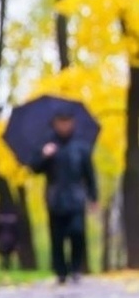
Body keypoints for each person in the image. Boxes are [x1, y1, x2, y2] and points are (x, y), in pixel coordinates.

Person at [29, 110, 98, 284]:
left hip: (76, 197)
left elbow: (89, 174)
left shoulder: (81, 146)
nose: (64, 125)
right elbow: (34, 168)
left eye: (67, 121)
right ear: (55, 123)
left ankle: (75, 268)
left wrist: (93, 197)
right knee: (57, 237)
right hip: (55, 198)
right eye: (61, 122)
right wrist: (44, 155)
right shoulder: (47, 144)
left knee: (77, 232)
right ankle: (61, 272)